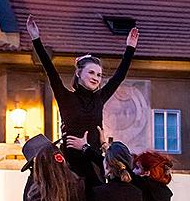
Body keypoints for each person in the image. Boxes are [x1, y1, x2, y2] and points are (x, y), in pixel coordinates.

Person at [26, 14, 139, 181]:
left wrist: (130, 48)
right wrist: (36, 39)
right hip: (70, 165)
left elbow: (119, 77)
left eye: (99, 75)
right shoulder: (66, 97)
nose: (96, 77)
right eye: (91, 72)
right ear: (79, 73)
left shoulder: (99, 98)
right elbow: (50, 70)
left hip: (94, 163)